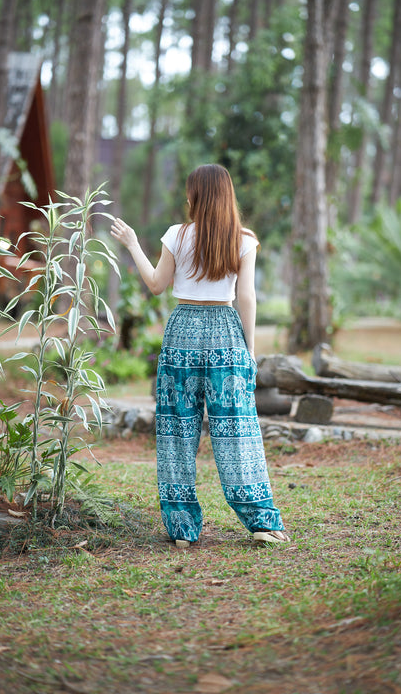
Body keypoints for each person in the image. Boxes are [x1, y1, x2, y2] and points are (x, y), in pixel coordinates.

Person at [110, 164, 287, 548]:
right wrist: (249, 350)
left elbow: (156, 285)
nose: (186, 197)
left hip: (182, 332)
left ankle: (182, 531)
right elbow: (247, 297)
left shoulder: (177, 234)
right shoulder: (244, 239)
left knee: (176, 431)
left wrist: (133, 244)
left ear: (198, 196)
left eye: (190, 191)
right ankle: (262, 522)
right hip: (227, 333)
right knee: (237, 432)